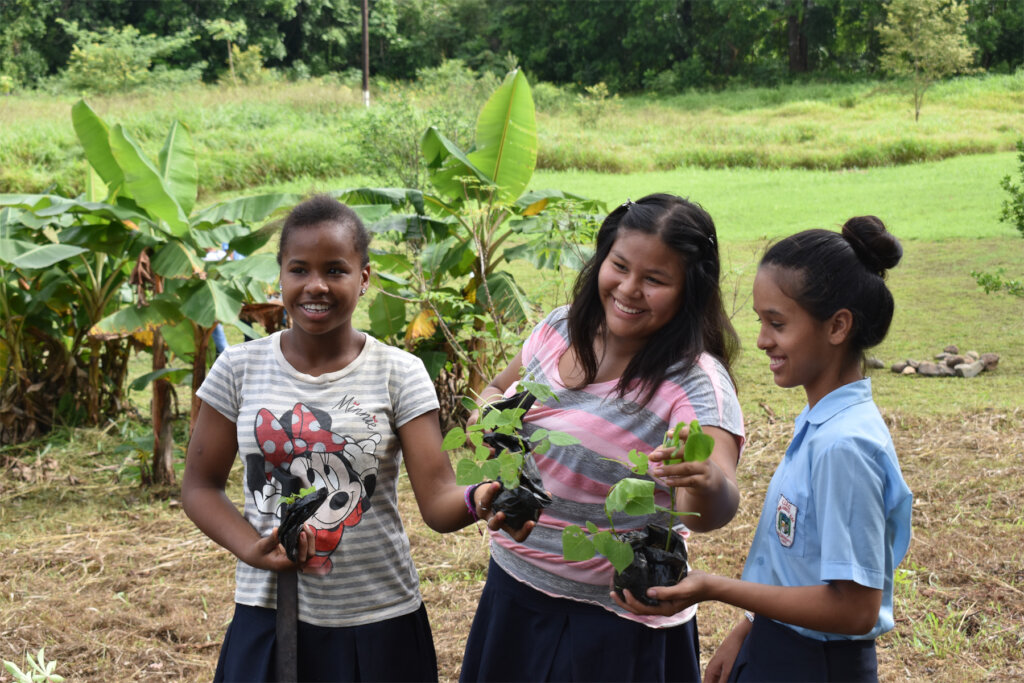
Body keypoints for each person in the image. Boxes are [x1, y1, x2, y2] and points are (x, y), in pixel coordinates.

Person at [182, 194, 526, 682]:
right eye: (299, 270)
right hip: (269, 616)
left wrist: (480, 499)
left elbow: (437, 500)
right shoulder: (238, 368)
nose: (315, 285)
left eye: (336, 270)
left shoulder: (398, 373)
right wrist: (250, 546)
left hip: (378, 621)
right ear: (278, 275)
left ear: (364, 278)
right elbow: (199, 486)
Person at [459, 193, 746, 682]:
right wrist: (487, 423)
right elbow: (493, 392)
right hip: (514, 593)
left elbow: (711, 513)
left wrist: (702, 479)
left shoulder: (695, 382)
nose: (630, 289)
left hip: (618, 624)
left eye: (655, 280)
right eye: (620, 266)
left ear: (688, 292)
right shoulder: (559, 329)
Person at [614, 216, 913, 683]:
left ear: (837, 326)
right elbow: (801, 566)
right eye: (760, 321)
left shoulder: (844, 446)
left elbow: (855, 608)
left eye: (777, 323)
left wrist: (717, 588)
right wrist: (750, 629)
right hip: (780, 646)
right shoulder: (823, 424)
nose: (761, 340)